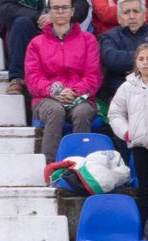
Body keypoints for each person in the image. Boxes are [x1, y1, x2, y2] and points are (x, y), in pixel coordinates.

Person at [26, 1, 103, 164]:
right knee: (55, 111)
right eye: (55, 8)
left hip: (80, 96)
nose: (60, 11)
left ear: (72, 11)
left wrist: (73, 91)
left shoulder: (88, 40)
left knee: (82, 113)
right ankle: (51, 166)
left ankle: (80, 168)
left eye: (64, 7)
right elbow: (33, 79)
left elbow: (93, 76)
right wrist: (56, 91)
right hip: (46, 98)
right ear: (49, 12)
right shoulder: (36, 43)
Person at [109, 42, 148, 227]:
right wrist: (127, 133)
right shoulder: (128, 87)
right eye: (141, 59)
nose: (145, 62)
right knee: (144, 191)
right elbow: (115, 113)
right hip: (141, 146)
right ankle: (143, 229)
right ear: (136, 63)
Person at [100, 0, 148, 101]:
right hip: (121, 93)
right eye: (126, 12)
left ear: (144, 15)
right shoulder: (109, 37)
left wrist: (126, 62)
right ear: (118, 18)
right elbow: (111, 60)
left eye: (136, 11)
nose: (132, 16)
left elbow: (119, 60)